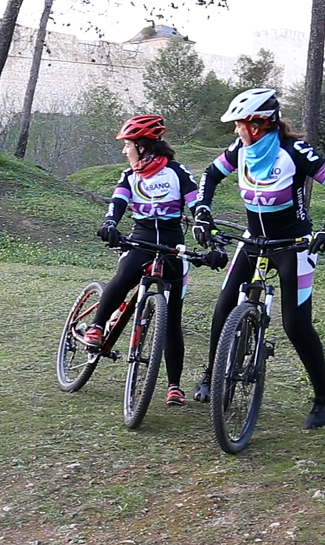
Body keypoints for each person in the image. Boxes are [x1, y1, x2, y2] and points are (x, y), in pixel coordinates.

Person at [190, 88, 325, 429]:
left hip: (293, 244)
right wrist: (202, 212)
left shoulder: (294, 151)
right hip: (252, 240)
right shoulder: (241, 149)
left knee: (295, 324)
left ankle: (324, 395)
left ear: (259, 125)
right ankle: (211, 373)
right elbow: (209, 176)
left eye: (239, 125)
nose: (235, 131)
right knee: (223, 307)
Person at [84, 114, 226, 407]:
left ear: (143, 146)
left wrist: (209, 240)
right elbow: (118, 204)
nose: (125, 151)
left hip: (173, 245)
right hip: (141, 239)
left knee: (172, 319)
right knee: (124, 277)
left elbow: (198, 205)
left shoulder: (177, 172)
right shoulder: (130, 176)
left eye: (128, 145)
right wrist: (110, 224)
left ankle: (174, 386)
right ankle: (97, 327)